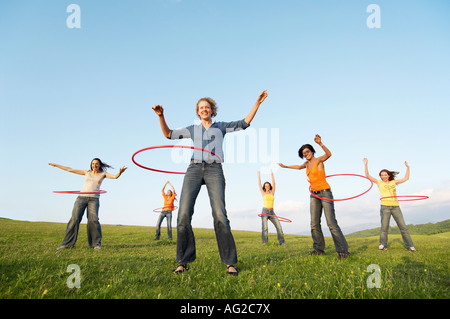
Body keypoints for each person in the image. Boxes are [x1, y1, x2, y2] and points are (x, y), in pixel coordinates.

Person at [152, 90, 268, 275]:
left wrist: (257, 103)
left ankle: (230, 263)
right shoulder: (193, 129)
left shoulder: (221, 126)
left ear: (212, 110)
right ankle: (182, 261)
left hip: (214, 169)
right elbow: (168, 134)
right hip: (194, 169)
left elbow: (244, 123)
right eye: (201, 108)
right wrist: (161, 115)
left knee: (220, 215)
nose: (204, 109)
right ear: (198, 112)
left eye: (207, 107)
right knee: (182, 215)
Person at [278, 134, 350, 259]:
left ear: (312, 151)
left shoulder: (318, 161)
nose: (306, 154)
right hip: (314, 195)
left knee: (331, 223)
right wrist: (285, 166)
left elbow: (329, 154)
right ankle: (318, 249)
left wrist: (320, 143)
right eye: (304, 154)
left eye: (307, 151)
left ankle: (343, 251)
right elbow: (298, 167)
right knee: (314, 224)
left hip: (325, 192)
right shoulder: (306, 165)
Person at [49, 159, 127, 250]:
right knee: (74, 219)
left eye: (97, 164)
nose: (95, 165)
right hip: (81, 198)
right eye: (93, 163)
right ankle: (67, 244)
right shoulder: (87, 172)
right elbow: (69, 169)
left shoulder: (103, 174)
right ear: (91, 165)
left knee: (93, 220)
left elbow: (115, 177)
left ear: (100, 165)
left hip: (94, 199)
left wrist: (120, 173)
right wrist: (56, 165)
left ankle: (95, 244)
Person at [363, 158, 416, 252]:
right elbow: (367, 175)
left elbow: (406, 178)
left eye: (385, 175)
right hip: (385, 207)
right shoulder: (379, 183)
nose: (383, 176)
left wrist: (408, 167)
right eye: (382, 175)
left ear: (388, 175)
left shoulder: (393, 182)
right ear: (380, 176)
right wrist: (366, 164)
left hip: (395, 207)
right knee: (384, 228)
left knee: (403, 227)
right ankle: (383, 245)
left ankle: (410, 246)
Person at [257, 170, 285, 245]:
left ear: (269, 186)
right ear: (264, 187)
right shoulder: (263, 193)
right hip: (265, 212)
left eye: (268, 185)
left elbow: (274, 183)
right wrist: (259, 175)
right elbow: (259, 184)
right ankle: (265, 243)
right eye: (265, 186)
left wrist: (272, 174)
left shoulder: (272, 192)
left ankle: (282, 242)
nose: (267, 187)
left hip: (272, 212)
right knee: (265, 228)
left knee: (279, 226)